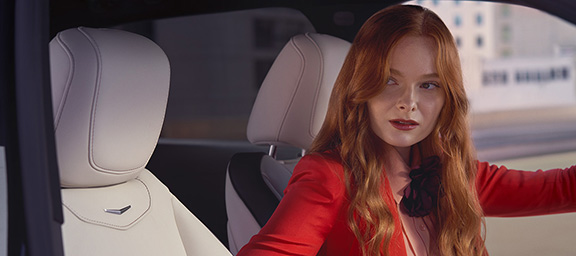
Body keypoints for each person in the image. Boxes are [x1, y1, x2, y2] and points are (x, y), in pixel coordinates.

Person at [236, 4, 576, 256]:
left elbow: (561, 189)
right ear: (361, 88)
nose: (408, 103)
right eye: (389, 81)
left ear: (447, 98)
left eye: (428, 85)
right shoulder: (329, 176)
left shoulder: (453, 172)